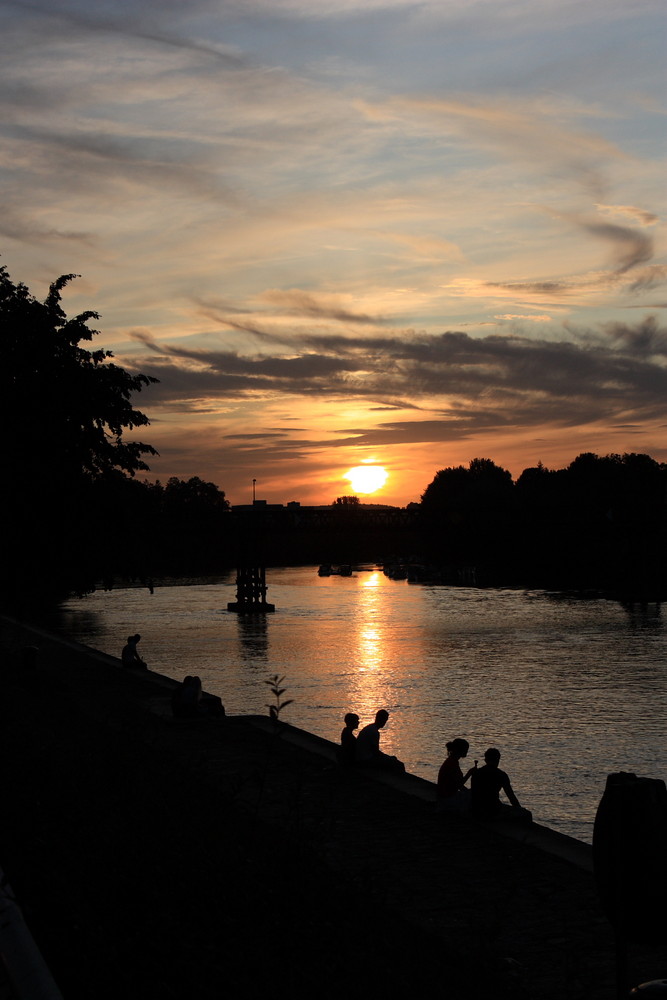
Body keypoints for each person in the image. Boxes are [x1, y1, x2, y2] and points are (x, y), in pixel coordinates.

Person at [471, 748, 531, 822]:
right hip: (493, 810)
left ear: (485, 760)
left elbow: (473, 794)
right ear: (498, 760)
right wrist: (519, 810)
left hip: (476, 809)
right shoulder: (501, 775)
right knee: (527, 814)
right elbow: (511, 796)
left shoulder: (476, 773)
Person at [437, 738, 476, 811]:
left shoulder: (451, 761)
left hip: (444, 797)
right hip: (448, 799)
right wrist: (469, 773)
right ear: (460, 750)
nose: (467, 751)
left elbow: (457, 785)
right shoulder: (452, 764)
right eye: (466, 749)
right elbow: (459, 785)